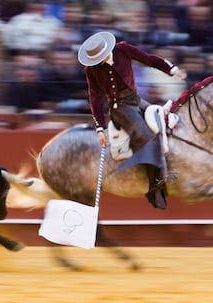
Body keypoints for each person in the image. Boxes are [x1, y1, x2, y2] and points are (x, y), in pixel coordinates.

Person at [77, 31, 186, 209]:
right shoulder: (91, 70)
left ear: (107, 50)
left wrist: (172, 70)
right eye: (96, 60)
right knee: (146, 139)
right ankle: (154, 187)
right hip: (119, 108)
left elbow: (149, 59)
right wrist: (99, 128)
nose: (100, 62)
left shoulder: (123, 49)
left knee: (164, 121)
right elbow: (95, 98)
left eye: (102, 57)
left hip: (136, 100)